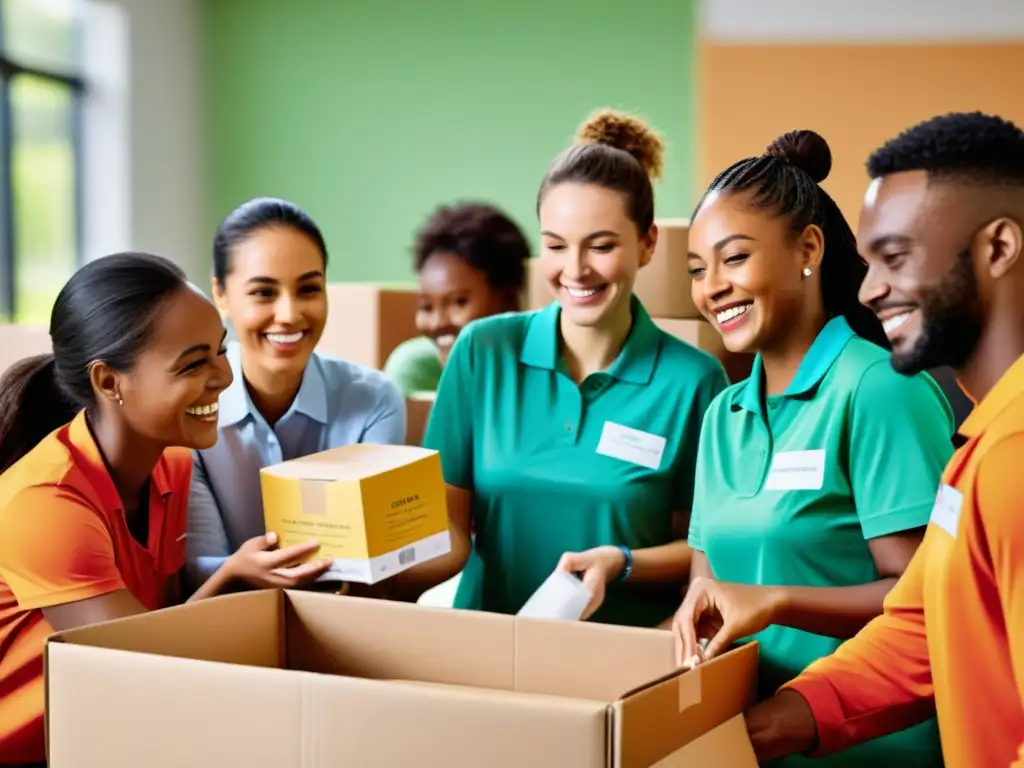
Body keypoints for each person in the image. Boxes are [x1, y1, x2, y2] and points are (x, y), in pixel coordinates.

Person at [743, 112, 1024, 768]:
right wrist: (766, 727)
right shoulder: (982, 441)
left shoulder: (1014, 457)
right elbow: (923, 626)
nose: (869, 290)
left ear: (998, 248)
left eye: (896, 257)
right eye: (869, 263)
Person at [671, 130, 953, 766]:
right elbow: (706, 592)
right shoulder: (722, 416)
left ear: (808, 249)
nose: (712, 286)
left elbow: (925, 599)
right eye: (697, 270)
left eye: (733, 259)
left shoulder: (878, 389)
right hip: (747, 742)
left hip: (867, 750)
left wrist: (777, 601)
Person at [384, 109, 729, 625]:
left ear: (648, 244)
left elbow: (703, 550)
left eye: (601, 246)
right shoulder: (482, 352)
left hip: (622, 652)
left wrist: (623, 562)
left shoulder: (694, 382)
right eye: (556, 246)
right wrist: (372, 570)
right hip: (487, 643)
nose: (575, 270)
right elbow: (447, 531)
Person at [0, 254, 330, 767]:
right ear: (109, 382)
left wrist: (234, 576)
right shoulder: (45, 503)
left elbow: (157, 632)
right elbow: (137, 671)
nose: (224, 377)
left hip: (101, 735)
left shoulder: (172, 465)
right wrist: (230, 582)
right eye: (194, 364)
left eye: (221, 351)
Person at [185, 198, 406, 589]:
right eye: (263, 292)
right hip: (228, 614)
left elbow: (377, 556)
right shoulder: (191, 408)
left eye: (308, 289)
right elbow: (196, 566)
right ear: (220, 294)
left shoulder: (374, 401)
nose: (289, 315)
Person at [383, 202, 530, 396]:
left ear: (509, 301)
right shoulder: (416, 370)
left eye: (458, 302)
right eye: (426, 307)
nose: (438, 323)